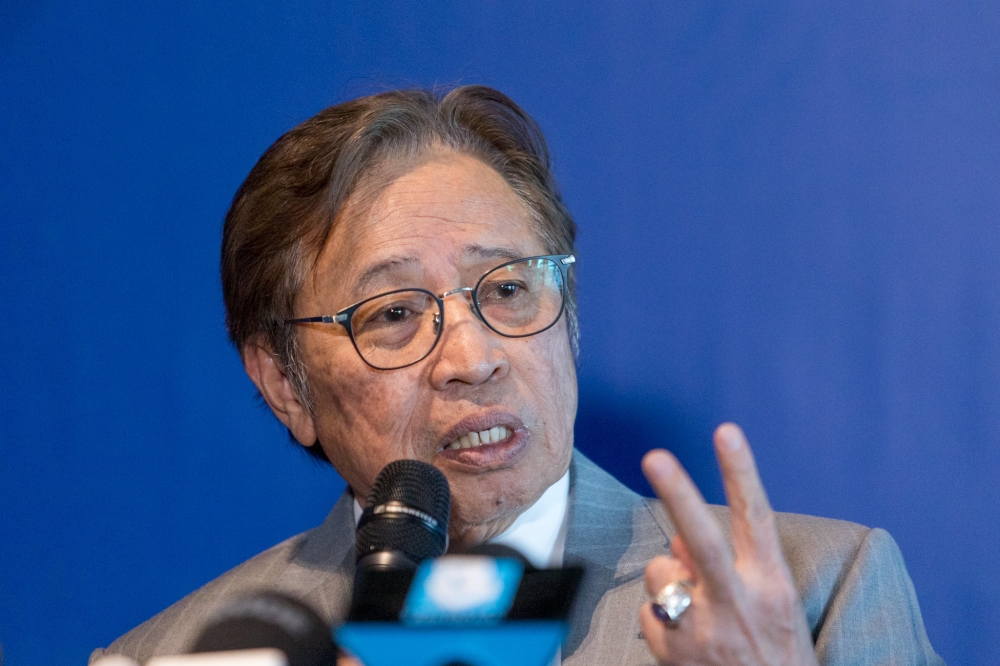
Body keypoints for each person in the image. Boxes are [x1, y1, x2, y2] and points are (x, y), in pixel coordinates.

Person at [90, 86, 943, 665]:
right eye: (392, 314)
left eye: (506, 289)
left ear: (568, 316)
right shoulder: (183, 655)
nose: (473, 358)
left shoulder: (816, 593)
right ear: (283, 383)